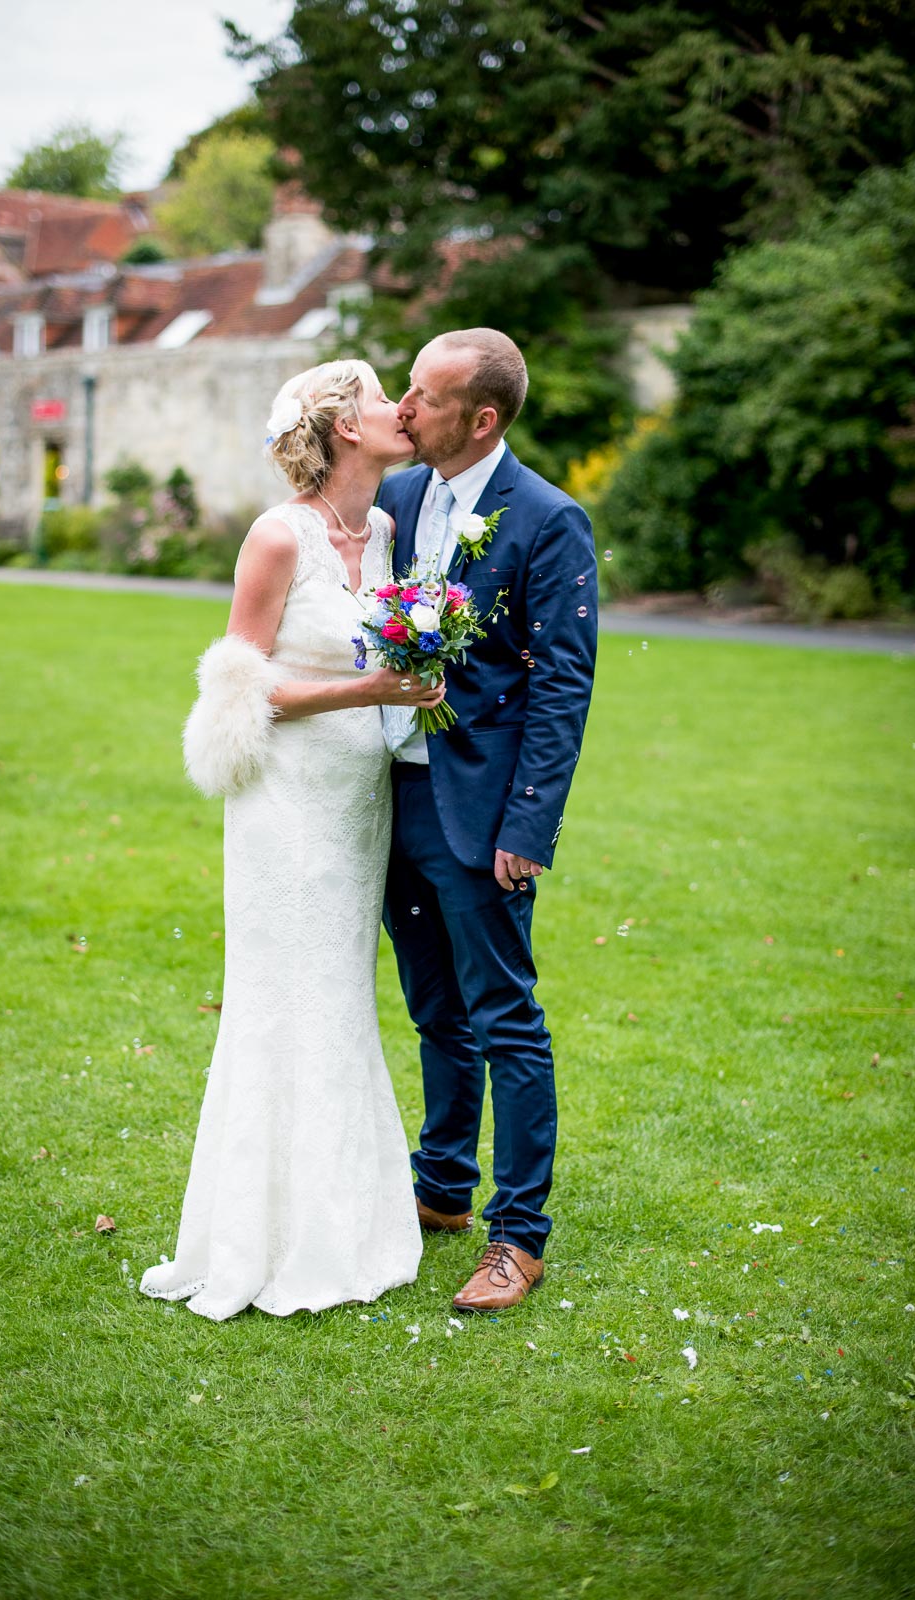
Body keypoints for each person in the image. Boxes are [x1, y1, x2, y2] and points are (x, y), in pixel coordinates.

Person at [139, 360, 445, 1322]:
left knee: (343, 993)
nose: (400, 406)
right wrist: (367, 690)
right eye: (379, 396)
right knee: (287, 997)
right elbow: (245, 682)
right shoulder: (278, 537)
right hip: (286, 801)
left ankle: (349, 1220)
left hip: (361, 798)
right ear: (343, 428)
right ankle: (260, 1238)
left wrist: (414, 678)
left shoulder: (389, 529)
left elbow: (387, 651)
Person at [377, 328, 597, 1313]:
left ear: (483, 418)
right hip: (387, 794)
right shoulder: (398, 496)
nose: (404, 406)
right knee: (434, 1010)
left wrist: (529, 828)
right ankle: (440, 1189)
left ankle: (520, 1237)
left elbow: (561, 685)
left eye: (424, 395)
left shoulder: (548, 520)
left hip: (483, 812)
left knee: (505, 1018)